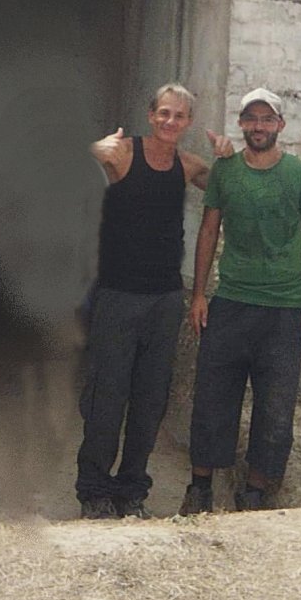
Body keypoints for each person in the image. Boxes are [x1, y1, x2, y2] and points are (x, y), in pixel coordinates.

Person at [75, 82, 234, 519]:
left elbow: (226, 186)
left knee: (149, 401)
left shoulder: (187, 165)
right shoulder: (124, 153)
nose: (170, 121)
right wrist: (94, 147)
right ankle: (93, 491)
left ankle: (132, 492)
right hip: (117, 295)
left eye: (179, 116)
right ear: (151, 115)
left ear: (189, 122)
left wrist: (228, 156)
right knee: (107, 398)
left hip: (164, 299)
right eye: (164, 113)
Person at [180, 87, 301, 515]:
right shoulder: (226, 172)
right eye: (251, 119)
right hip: (231, 301)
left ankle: (255, 493)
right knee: (213, 397)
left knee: (275, 406)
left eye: (267, 119)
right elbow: (209, 231)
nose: (259, 126)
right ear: (241, 123)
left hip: (285, 308)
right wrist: (199, 294)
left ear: (280, 125)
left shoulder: (300, 175)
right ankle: (200, 489)